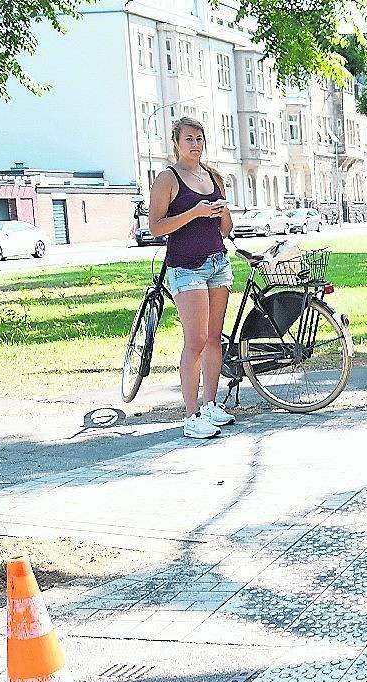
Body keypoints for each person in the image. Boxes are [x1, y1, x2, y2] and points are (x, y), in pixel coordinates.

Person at [147, 116, 236, 439]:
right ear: (176, 142)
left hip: (217, 263)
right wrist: (194, 213)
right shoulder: (168, 178)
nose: (195, 145)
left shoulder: (212, 175)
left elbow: (226, 229)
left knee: (214, 338)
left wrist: (221, 211)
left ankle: (211, 404)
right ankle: (191, 414)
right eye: (189, 139)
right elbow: (156, 227)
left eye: (199, 139)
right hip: (186, 266)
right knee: (195, 341)